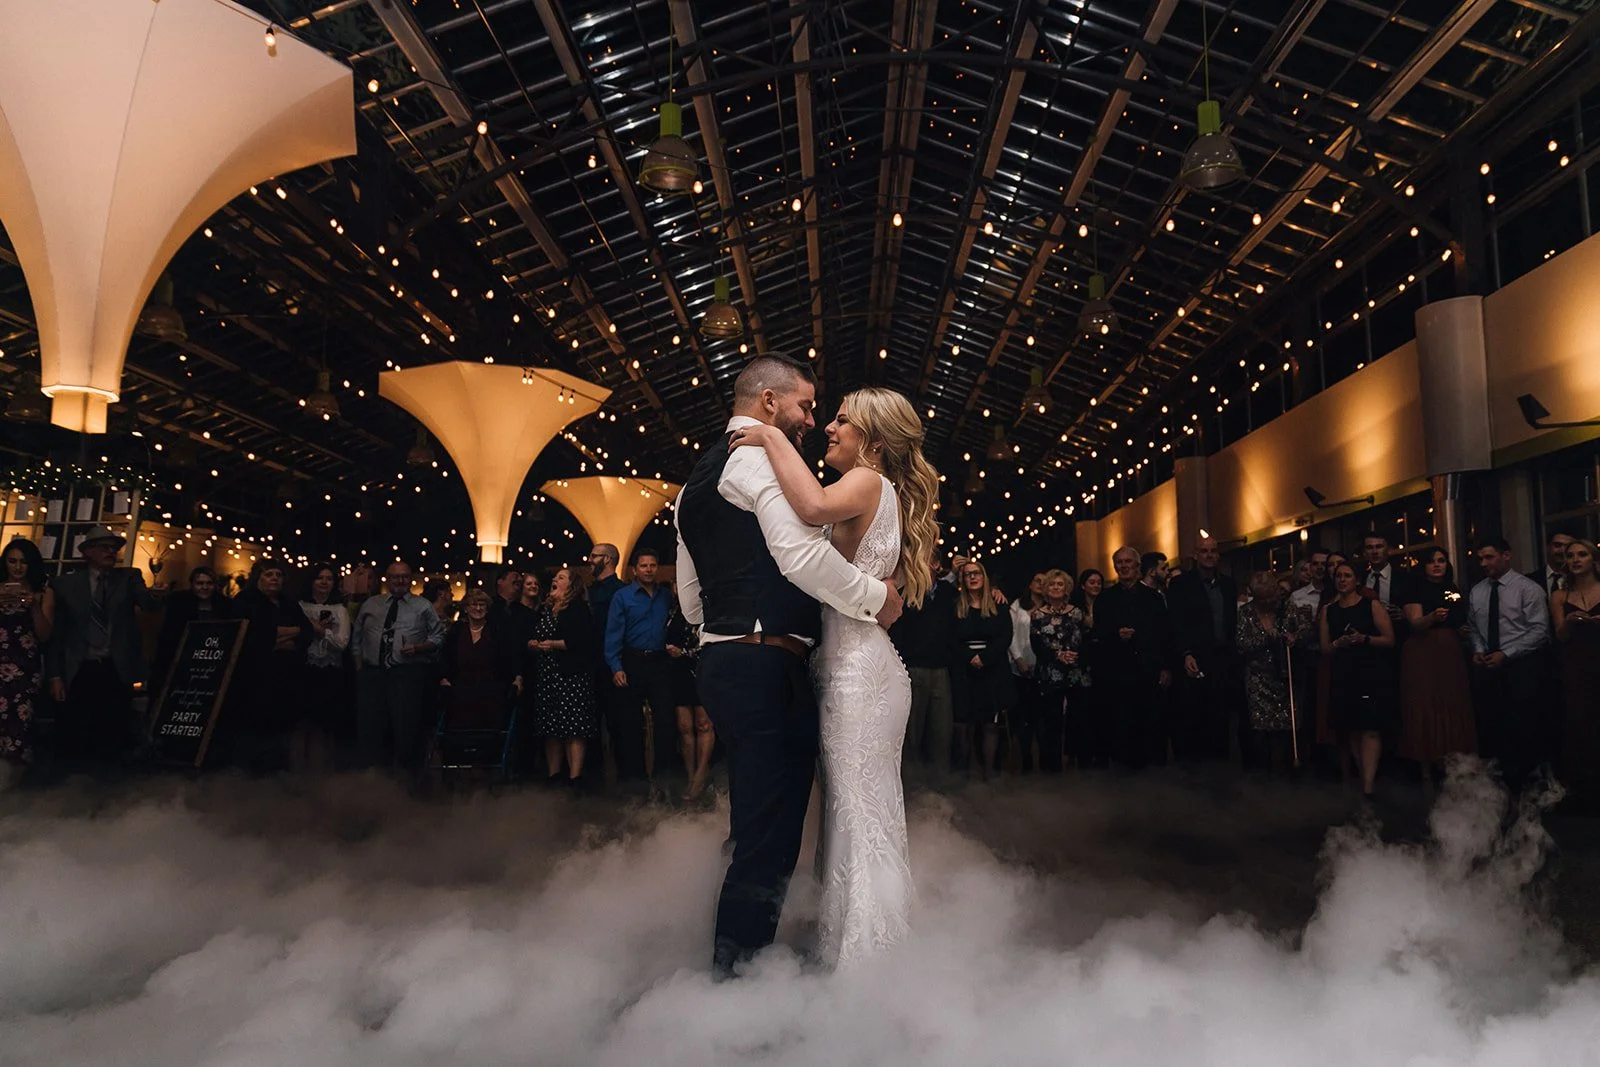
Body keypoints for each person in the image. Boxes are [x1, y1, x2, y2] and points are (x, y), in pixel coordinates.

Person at [675, 356, 904, 978]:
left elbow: (690, 592)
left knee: (756, 815)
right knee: (770, 833)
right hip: (763, 662)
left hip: (723, 660)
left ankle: (738, 949)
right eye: (805, 405)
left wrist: (720, 636)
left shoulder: (694, 480)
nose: (812, 419)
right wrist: (875, 598)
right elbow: (800, 556)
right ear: (770, 403)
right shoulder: (755, 460)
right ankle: (739, 970)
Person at [728, 383, 934, 968]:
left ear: (871, 437)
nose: (829, 429)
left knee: (860, 813)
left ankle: (871, 959)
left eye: (842, 421)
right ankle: (852, 945)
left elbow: (811, 508)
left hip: (859, 676)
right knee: (853, 812)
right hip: (851, 668)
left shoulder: (867, 482)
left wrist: (768, 435)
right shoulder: (875, 490)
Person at [46, 524, 166, 766]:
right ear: (87, 552)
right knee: (76, 734)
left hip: (115, 667)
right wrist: (54, 676)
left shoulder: (129, 578)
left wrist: (157, 595)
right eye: (104, 547)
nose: (111, 551)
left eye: (114, 548)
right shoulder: (65, 585)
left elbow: (148, 603)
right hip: (79, 667)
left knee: (113, 733)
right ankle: (71, 787)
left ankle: (109, 788)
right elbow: (56, 636)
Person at [1467, 538, 1551, 788]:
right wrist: (1479, 650)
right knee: (1492, 724)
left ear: (1506, 556)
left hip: (1521, 666)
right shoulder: (1477, 591)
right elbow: (1474, 627)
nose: (1483, 563)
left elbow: (1540, 631)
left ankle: (1526, 783)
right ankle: (1497, 784)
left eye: (1489, 557)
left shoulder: (1528, 589)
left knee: (1521, 725)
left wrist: (1508, 653)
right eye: (1480, 558)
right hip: (1489, 667)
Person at [352, 560, 446, 773]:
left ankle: (406, 782)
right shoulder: (371, 604)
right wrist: (360, 669)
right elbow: (356, 640)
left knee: (406, 729)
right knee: (372, 728)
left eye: (404, 576)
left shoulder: (423, 606)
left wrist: (420, 647)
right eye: (395, 576)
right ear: (388, 578)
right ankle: (373, 778)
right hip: (372, 675)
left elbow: (439, 637)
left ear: (410, 579)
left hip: (406, 674)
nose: (400, 581)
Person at [1398, 548, 1476, 785]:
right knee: (1425, 703)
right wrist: (1432, 617)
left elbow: (1461, 619)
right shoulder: (1415, 589)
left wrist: (1462, 631)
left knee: (1452, 701)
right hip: (1424, 651)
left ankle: (1453, 762)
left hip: (1450, 649)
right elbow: (1415, 623)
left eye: (1441, 561)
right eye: (1431, 561)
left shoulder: (1454, 588)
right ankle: (1425, 766)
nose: (1436, 565)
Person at [1092, 546, 1173, 770]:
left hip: (1148, 669)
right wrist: (1115, 635)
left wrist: (1166, 667)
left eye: (1128, 562)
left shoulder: (1154, 599)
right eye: (1119, 562)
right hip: (1118, 671)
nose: (1124, 566)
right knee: (1121, 723)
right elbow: (1098, 634)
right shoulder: (1105, 599)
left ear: (1137, 567)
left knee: (1151, 722)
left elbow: (1165, 634)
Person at [1320, 561, 1397, 798]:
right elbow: (1325, 647)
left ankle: (1368, 787)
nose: (1342, 580)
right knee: (1352, 728)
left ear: (1356, 580)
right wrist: (1338, 643)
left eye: (1347, 575)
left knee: (1370, 728)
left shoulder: (1370, 605)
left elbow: (1389, 639)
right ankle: (1362, 775)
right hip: (1344, 671)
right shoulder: (1328, 610)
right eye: (1338, 576)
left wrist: (1364, 639)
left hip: (1369, 670)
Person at [229, 560, 315, 771]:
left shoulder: (289, 602)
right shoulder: (244, 600)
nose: (274, 578)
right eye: (269, 574)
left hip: (287, 678)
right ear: (258, 578)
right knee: (256, 733)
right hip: (256, 678)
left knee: (283, 733)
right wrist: (288, 633)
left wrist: (282, 634)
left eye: (278, 574)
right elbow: (251, 633)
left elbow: (307, 631)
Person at [604, 549, 676, 786]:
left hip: (659, 662)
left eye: (652, 565)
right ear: (634, 569)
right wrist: (616, 667)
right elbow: (613, 634)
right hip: (632, 661)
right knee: (630, 723)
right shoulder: (622, 597)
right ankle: (635, 780)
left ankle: (662, 777)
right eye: (643, 566)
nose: (648, 569)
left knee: (666, 721)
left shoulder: (666, 596)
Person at [1168, 535, 1239, 765]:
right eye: (1204, 551)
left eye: (1213, 551)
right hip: (1195, 654)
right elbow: (1176, 622)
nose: (1209, 555)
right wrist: (1185, 652)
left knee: (1219, 708)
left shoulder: (1228, 585)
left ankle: (1218, 758)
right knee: (1192, 708)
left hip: (1222, 655)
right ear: (1195, 555)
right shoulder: (1181, 584)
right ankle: (1192, 760)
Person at [526, 567, 598, 790]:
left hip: (571, 675)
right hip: (548, 675)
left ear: (572, 585)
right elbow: (536, 633)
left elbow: (582, 640)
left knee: (573, 728)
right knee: (551, 727)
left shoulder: (577, 608)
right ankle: (553, 774)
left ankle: (575, 777)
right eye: (556, 577)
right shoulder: (546, 609)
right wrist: (533, 643)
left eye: (561, 577)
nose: (555, 580)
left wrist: (553, 644)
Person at [949, 559, 1016, 780]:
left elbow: (1005, 636)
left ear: (984, 577)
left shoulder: (998, 604)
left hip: (992, 670)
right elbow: (949, 639)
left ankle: (990, 775)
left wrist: (984, 658)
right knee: (963, 726)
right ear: (962, 579)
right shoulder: (955, 604)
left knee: (990, 724)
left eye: (977, 573)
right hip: (964, 671)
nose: (973, 577)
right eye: (968, 574)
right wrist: (970, 657)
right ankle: (964, 776)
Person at [1237, 572, 1310, 773]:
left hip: (1285, 672)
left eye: (1273, 597)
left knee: (1290, 721)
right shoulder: (1246, 612)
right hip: (1257, 676)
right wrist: (1267, 639)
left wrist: (1293, 637)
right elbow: (1242, 643)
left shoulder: (1287, 607)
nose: (1271, 602)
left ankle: (1289, 765)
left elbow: (1306, 629)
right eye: (1265, 599)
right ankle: (1263, 768)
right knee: (1260, 725)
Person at [889, 555, 956, 777]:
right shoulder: (906, 591)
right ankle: (913, 781)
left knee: (942, 728)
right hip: (913, 667)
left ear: (936, 565)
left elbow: (978, 590)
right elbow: (896, 630)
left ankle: (942, 781)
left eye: (925, 560)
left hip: (941, 668)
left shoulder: (948, 592)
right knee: (912, 729)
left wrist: (994, 589)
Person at [1552, 538, 1600, 809]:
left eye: (1582, 554)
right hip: (1575, 665)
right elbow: (1560, 636)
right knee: (1580, 723)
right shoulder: (1560, 596)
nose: (1576, 559)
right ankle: (1583, 791)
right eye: (1571, 556)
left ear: (1593, 560)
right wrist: (1569, 621)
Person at [0, 539, 53, 782]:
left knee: (20, 725)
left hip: (24, 668)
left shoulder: (44, 593)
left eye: (24, 562)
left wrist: (33, 606)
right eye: (12, 561)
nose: (18, 567)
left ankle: (15, 785)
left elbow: (45, 636)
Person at [438, 588, 518, 738]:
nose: (478, 608)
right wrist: (444, 678)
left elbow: (507, 658)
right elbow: (446, 656)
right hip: (460, 689)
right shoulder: (456, 630)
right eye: (474, 605)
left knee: (488, 734)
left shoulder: (497, 630)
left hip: (490, 689)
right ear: (466, 608)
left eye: (482, 605)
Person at [1029, 569, 1087, 773]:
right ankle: (1051, 766)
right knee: (1051, 720)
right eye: (1052, 584)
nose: (1055, 587)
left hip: (1076, 671)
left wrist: (1075, 655)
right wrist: (1057, 656)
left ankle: (1077, 760)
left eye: (1060, 584)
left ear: (1067, 588)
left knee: (1077, 718)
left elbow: (1085, 640)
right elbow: (1036, 645)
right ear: (1045, 589)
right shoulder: (1037, 615)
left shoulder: (1077, 613)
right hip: (1050, 671)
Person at [299, 563, 351, 771]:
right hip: (304, 671)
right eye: (320, 578)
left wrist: (322, 632)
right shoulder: (301, 606)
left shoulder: (340, 610)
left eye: (329, 578)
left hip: (330, 673)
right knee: (302, 724)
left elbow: (341, 643)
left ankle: (322, 770)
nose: (324, 582)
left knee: (325, 726)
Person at [665, 584, 714, 800]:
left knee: (704, 724)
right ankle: (690, 774)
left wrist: (683, 651)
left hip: (702, 669)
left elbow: (710, 642)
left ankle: (701, 776)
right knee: (684, 726)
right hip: (678, 672)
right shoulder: (672, 609)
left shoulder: (708, 607)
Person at [153, 565, 232, 695]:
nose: (205, 587)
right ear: (192, 585)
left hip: (213, 663)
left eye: (209, 583)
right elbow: (168, 637)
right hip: (183, 664)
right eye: (200, 583)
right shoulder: (179, 604)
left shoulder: (225, 606)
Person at [1007, 573, 1044, 773]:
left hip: (1044, 667)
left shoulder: (1051, 605)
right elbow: (1011, 634)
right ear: (1030, 584)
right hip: (1020, 665)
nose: (1041, 584)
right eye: (1038, 580)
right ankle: (1025, 756)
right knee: (1023, 715)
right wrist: (1019, 658)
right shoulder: (1018, 605)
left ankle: (1044, 760)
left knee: (1041, 716)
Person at [1543, 530, 1578, 598]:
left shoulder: (1580, 579)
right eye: (1557, 545)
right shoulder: (1531, 580)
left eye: (1568, 546)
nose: (1562, 550)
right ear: (1548, 547)